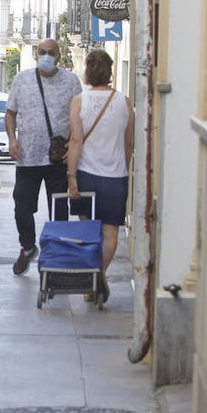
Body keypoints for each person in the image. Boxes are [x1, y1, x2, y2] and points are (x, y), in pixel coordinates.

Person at [4, 38, 82, 275]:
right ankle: (27, 247)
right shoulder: (22, 79)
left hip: (58, 159)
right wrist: (12, 139)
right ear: (35, 55)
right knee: (22, 206)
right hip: (27, 157)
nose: (46, 56)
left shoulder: (71, 81)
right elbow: (10, 113)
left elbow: (80, 116)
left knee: (59, 209)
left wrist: (73, 144)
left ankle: (56, 257)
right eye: (42, 52)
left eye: (51, 52)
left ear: (59, 56)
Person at [66, 49, 134, 306]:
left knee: (89, 230)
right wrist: (123, 168)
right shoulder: (125, 102)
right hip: (116, 177)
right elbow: (129, 143)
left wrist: (71, 176)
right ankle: (100, 273)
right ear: (110, 72)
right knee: (110, 231)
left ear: (87, 71)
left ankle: (93, 277)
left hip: (87, 175)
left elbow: (76, 141)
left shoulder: (79, 101)